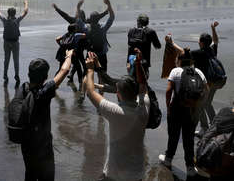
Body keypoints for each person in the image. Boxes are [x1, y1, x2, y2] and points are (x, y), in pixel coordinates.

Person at [84, 51, 149, 181]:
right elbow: (143, 85)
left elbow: (90, 92)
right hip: (137, 173)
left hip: (115, 174)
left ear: (118, 94)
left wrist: (90, 70)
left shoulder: (115, 112)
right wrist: (138, 64)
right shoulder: (144, 109)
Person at [20, 49, 73, 181]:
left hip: (26, 143)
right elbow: (64, 71)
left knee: (30, 173)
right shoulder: (43, 93)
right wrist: (69, 56)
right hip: (42, 145)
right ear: (45, 77)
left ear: (29, 74)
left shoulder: (24, 89)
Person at [158, 48, 207, 177]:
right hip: (191, 110)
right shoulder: (199, 72)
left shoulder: (175, 71)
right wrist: (195, 106)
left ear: (179, 60)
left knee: (173, 134)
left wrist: (168, 107)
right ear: (191, 61)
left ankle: (168, 160)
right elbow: (205, 90)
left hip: (176, 108)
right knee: (189, 137)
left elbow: (169, 91)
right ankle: (190, 167)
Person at [52, 0, 107, 84]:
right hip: (82, 45)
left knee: (77, 61)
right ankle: (81, 82)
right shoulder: (86, 21)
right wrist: (106, 12)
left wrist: (57, 9)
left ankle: (73, 78)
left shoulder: (75, 20)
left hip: (77, 45)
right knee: (79, 62)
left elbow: (64, 15)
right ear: (84, 16)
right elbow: (97, 18)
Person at [191, 22, 221, 135]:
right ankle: (215, 127)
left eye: (199, 40)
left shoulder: (198, 53)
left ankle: (205, 128)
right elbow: (216, 40)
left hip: (205, 84)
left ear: (202, 43)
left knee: (200, 104)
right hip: (214, 81)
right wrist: (213, 28)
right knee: (207, 104)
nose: (198, 42)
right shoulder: (212, 50)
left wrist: (171, 42)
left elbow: (182, 53)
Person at [0, 0, 29, 84]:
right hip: (15, 42)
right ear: (15, 13)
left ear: (8, 13)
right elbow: (25, 12)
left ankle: (5, 74)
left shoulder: (5, 20)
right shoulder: (17, 20)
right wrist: (26, 3)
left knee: (6, 59)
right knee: (15, 60)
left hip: (6, 42)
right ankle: (16, 75)